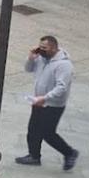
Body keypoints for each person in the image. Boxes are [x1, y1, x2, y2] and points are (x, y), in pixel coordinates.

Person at [16, 35, 78, 170]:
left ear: (54, 48)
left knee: (47, 133)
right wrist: (30, 58)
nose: (41, 50)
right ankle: (34, 156)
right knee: (32, 129)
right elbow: (28, 69)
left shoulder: (64, 65)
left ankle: (69, 152)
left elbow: (62, 87)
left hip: (53, 105)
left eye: (44, 48)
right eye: (40, 47)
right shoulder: (41, 58)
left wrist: (45, 98)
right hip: (38, 100)